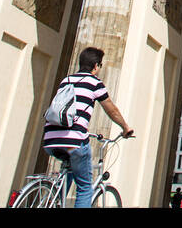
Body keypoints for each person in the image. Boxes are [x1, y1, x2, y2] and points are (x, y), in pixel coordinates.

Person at [41, 46, 134, 208]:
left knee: (69, 171)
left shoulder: (66, 80)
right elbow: (111, 109)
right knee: (85, 187)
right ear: (96, 66)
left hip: (50, 138)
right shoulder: (95, 83)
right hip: (74, 140)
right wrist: (125, 127)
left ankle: (55, 199)